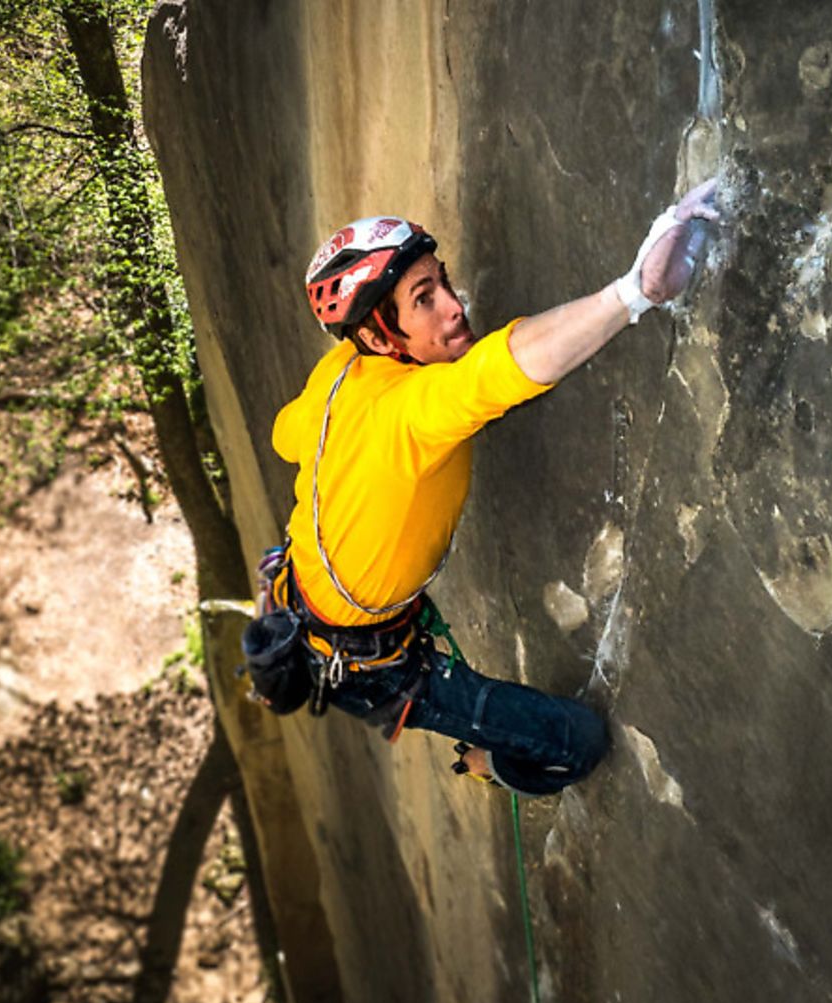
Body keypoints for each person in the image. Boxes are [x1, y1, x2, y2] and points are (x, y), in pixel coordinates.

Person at [264, 180, 721, 795]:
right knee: (578, 743)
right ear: (378, 336)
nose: (454, 307)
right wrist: (634, 291)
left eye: (441, 283)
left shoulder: (339, 371)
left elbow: (284, 438)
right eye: (423, 300)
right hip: (371, 669)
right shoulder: (412, 412)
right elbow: (495, 375)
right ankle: (490, 765)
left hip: (302, 597)